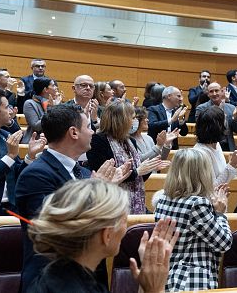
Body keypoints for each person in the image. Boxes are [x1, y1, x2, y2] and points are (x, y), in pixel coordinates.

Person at [16, 103, 131, 290]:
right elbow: (51, 229)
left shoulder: (85, 173)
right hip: (52, 281)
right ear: (73, 132)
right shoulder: (35, 174)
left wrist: (105, 192)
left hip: (90, 277)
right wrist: (96, 190)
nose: (93, 132)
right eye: (88, 127)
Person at [27, 179, 177, 293]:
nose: (126, 228)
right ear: (107, 235)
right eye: (125, 220)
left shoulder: (58, 274)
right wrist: (155, 289)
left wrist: (147, 284)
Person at [154, 149, 232, 291]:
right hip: (191, 282)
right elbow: (224, 243)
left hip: (167, 278)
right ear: (202, 173)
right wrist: (220, 213)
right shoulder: (197, 204)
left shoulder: (163, 200)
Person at [87, 101, 167, 214]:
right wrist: (137, 171)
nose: (135, 121)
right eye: (133, 117)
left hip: (135, 202)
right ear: (121, 120)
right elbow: (106, 175)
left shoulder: (130, 141)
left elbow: (139, 179)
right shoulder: (98, 141)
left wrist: (148, 168)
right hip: (110, 203)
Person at [193, 106, 237, 186]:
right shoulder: (201, 153)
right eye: (225, 119)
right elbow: (212, 188)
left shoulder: (216, 144)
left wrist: (234, 162)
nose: (226, 122)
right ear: (218, 126)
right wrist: (232, 164)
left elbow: (225, 177)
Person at [194, 82, 237, 152]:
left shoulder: (231, 108)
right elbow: (201, 129)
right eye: (211, 91)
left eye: (216, 90)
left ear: (222, 91)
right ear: (208, 94)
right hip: (209, 146)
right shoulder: (201, 108)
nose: (214, 94)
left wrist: (235, 117)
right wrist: (219, 112)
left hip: (228, 147)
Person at [21, 77, 61, 144]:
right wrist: (51, 109)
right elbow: (36, 126)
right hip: (35, 142)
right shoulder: (30, 103)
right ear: (45, 89)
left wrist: (58, 107)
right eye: (53, 85)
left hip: (53, 143)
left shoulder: (55, 103)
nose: (56, 88)